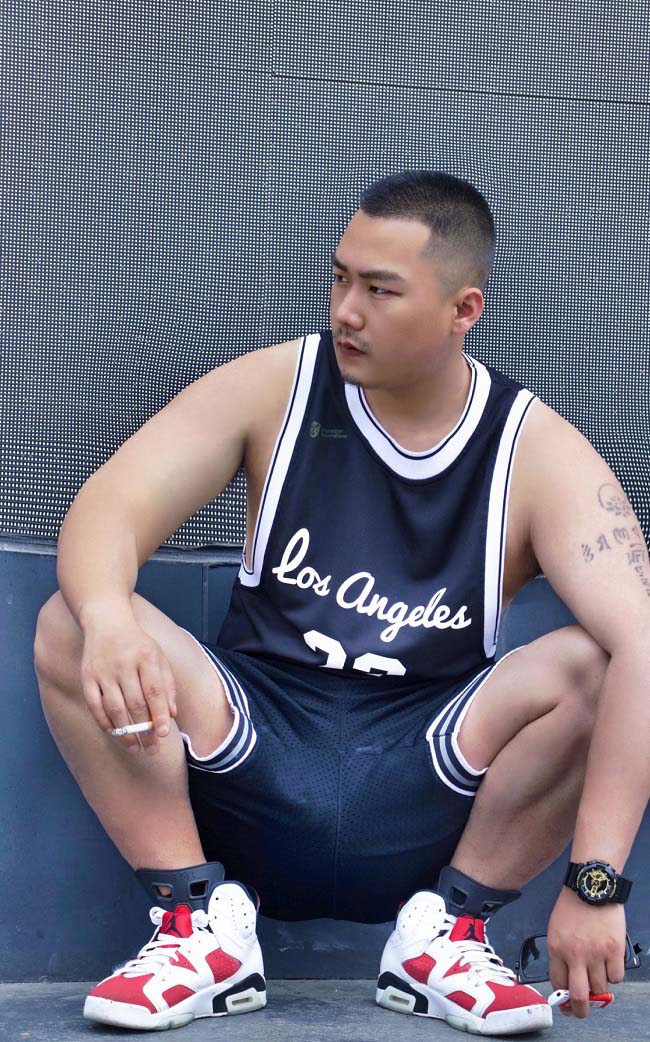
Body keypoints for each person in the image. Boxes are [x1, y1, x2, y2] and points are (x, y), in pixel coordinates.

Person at [34, 171, 648, 1035]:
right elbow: (111, 505)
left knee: (596, 660)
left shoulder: (534, 449)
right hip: (251, 754)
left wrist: (596, 882)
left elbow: (643, 648)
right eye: (340, 278)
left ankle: (449, 938)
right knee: (74, 618)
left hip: (425, 774)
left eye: (380, 290)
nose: (347, 311)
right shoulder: (277, 386)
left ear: (463, 309)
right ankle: (194, 925)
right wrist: (106, 618)